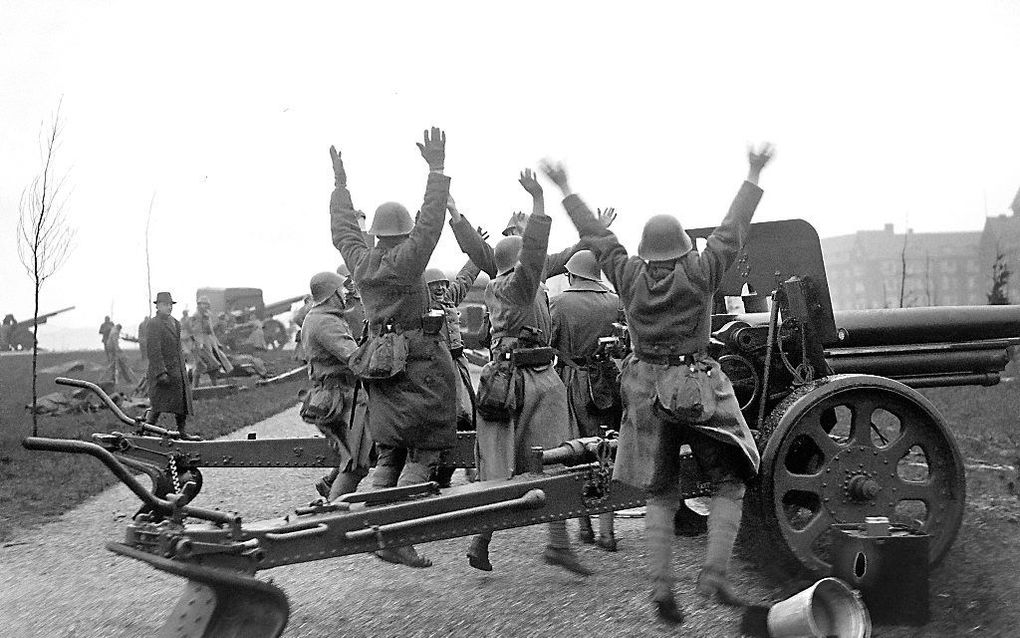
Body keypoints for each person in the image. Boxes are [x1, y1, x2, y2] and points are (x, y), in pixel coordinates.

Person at [543, 145, 774, 624]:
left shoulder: (626, 275)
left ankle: (662, 587)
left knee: (660, 494)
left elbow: (598, 237)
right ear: (685, 248)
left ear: (645, 251)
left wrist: (565, 188)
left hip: (644, 391)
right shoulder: (699, 272)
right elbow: (732, 231)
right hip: (695, 390)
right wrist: (752, 171)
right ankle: (714, 576)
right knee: (730, 483)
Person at [329, 127, 456, 568]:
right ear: (404, 233)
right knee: (422, 453)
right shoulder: (409, 260)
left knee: (389, 455)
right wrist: (436, 170)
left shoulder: (361, 261)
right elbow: (432, 223)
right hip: (420, 364)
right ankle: (397, 538)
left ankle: (370, 528)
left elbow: (343, 231)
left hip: (380, 364)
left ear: (377, 233)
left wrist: (340, 186)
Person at [463, 169, 590, 577]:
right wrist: (538, 203)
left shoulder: (508, 281)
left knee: (506, 467)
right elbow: (537, 254)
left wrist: (593, 237)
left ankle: (538, 544)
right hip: (530, 380)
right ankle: (547, 543)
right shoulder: (517, 286)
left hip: (514, 378)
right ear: (519, 264)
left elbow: (554, 256)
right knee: (550, 459)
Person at [549, 249, 623, 551]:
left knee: (576, 452)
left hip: (572, 382)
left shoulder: (560, 303)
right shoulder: (615, 302)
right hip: (608, 382)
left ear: (572, 274)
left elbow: (548, 342)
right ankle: (608, 533)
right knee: (608, 451)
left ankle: (584, 527)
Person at [301, 272, 373, 500]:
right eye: (341, 289)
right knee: (356, 464)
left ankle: (330, 486)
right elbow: (354, 358)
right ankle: (334, 516)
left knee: (355, 455)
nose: (345, 293)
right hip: (342, 395)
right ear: (332, 293)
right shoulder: (326, 322)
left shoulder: (320, 317)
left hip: (335, 393)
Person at [423, 218, 483, 487]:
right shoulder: (421, 312)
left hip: (457, 364)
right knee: (447, 417)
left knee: (467, 413)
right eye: (435, 286)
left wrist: (477, 251)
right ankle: (442, 474)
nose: (441, 289)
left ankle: (467, 467)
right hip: (438, 367)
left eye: (443, 285)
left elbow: (466, 278)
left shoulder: (450, 300)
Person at [145, 291, 195, 436]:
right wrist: (161, 372)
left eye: (170, 304)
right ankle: (146, 431)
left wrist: (184, 365)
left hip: (178, 369)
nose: (169, 307)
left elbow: (178, 347)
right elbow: (154, 350)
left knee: (182, 401)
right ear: (158, 306)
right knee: (158, 403)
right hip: (163, 370)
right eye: (165, 304)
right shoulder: (154, 324)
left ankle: (182, 431)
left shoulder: (175, 323)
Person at [192, 296, 234, 387]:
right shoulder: (196, 316)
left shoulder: (208, 315)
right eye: (203, 304)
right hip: (201, 344)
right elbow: (196, 331)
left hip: (210, 343)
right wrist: (199, 344)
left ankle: (214, 385)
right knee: (201, 365)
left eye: (206, 304)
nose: (205, 306)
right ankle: (194, 388)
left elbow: (211, 331)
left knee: (213, 366)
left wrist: (217, 343)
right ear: (199, 305)